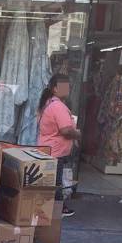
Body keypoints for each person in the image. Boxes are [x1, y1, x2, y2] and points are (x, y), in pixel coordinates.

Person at [37, 74, 79, 217]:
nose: (67, 89)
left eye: (68, 86)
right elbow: (66, 130)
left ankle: (54, 210)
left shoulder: (48, 103)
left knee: (53, 181)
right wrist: (78, 134)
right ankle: (57, 210)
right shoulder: (57, 106)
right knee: (55, 182)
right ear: (55, 89)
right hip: (54, 151)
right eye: (64, 86)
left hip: (48, 149)